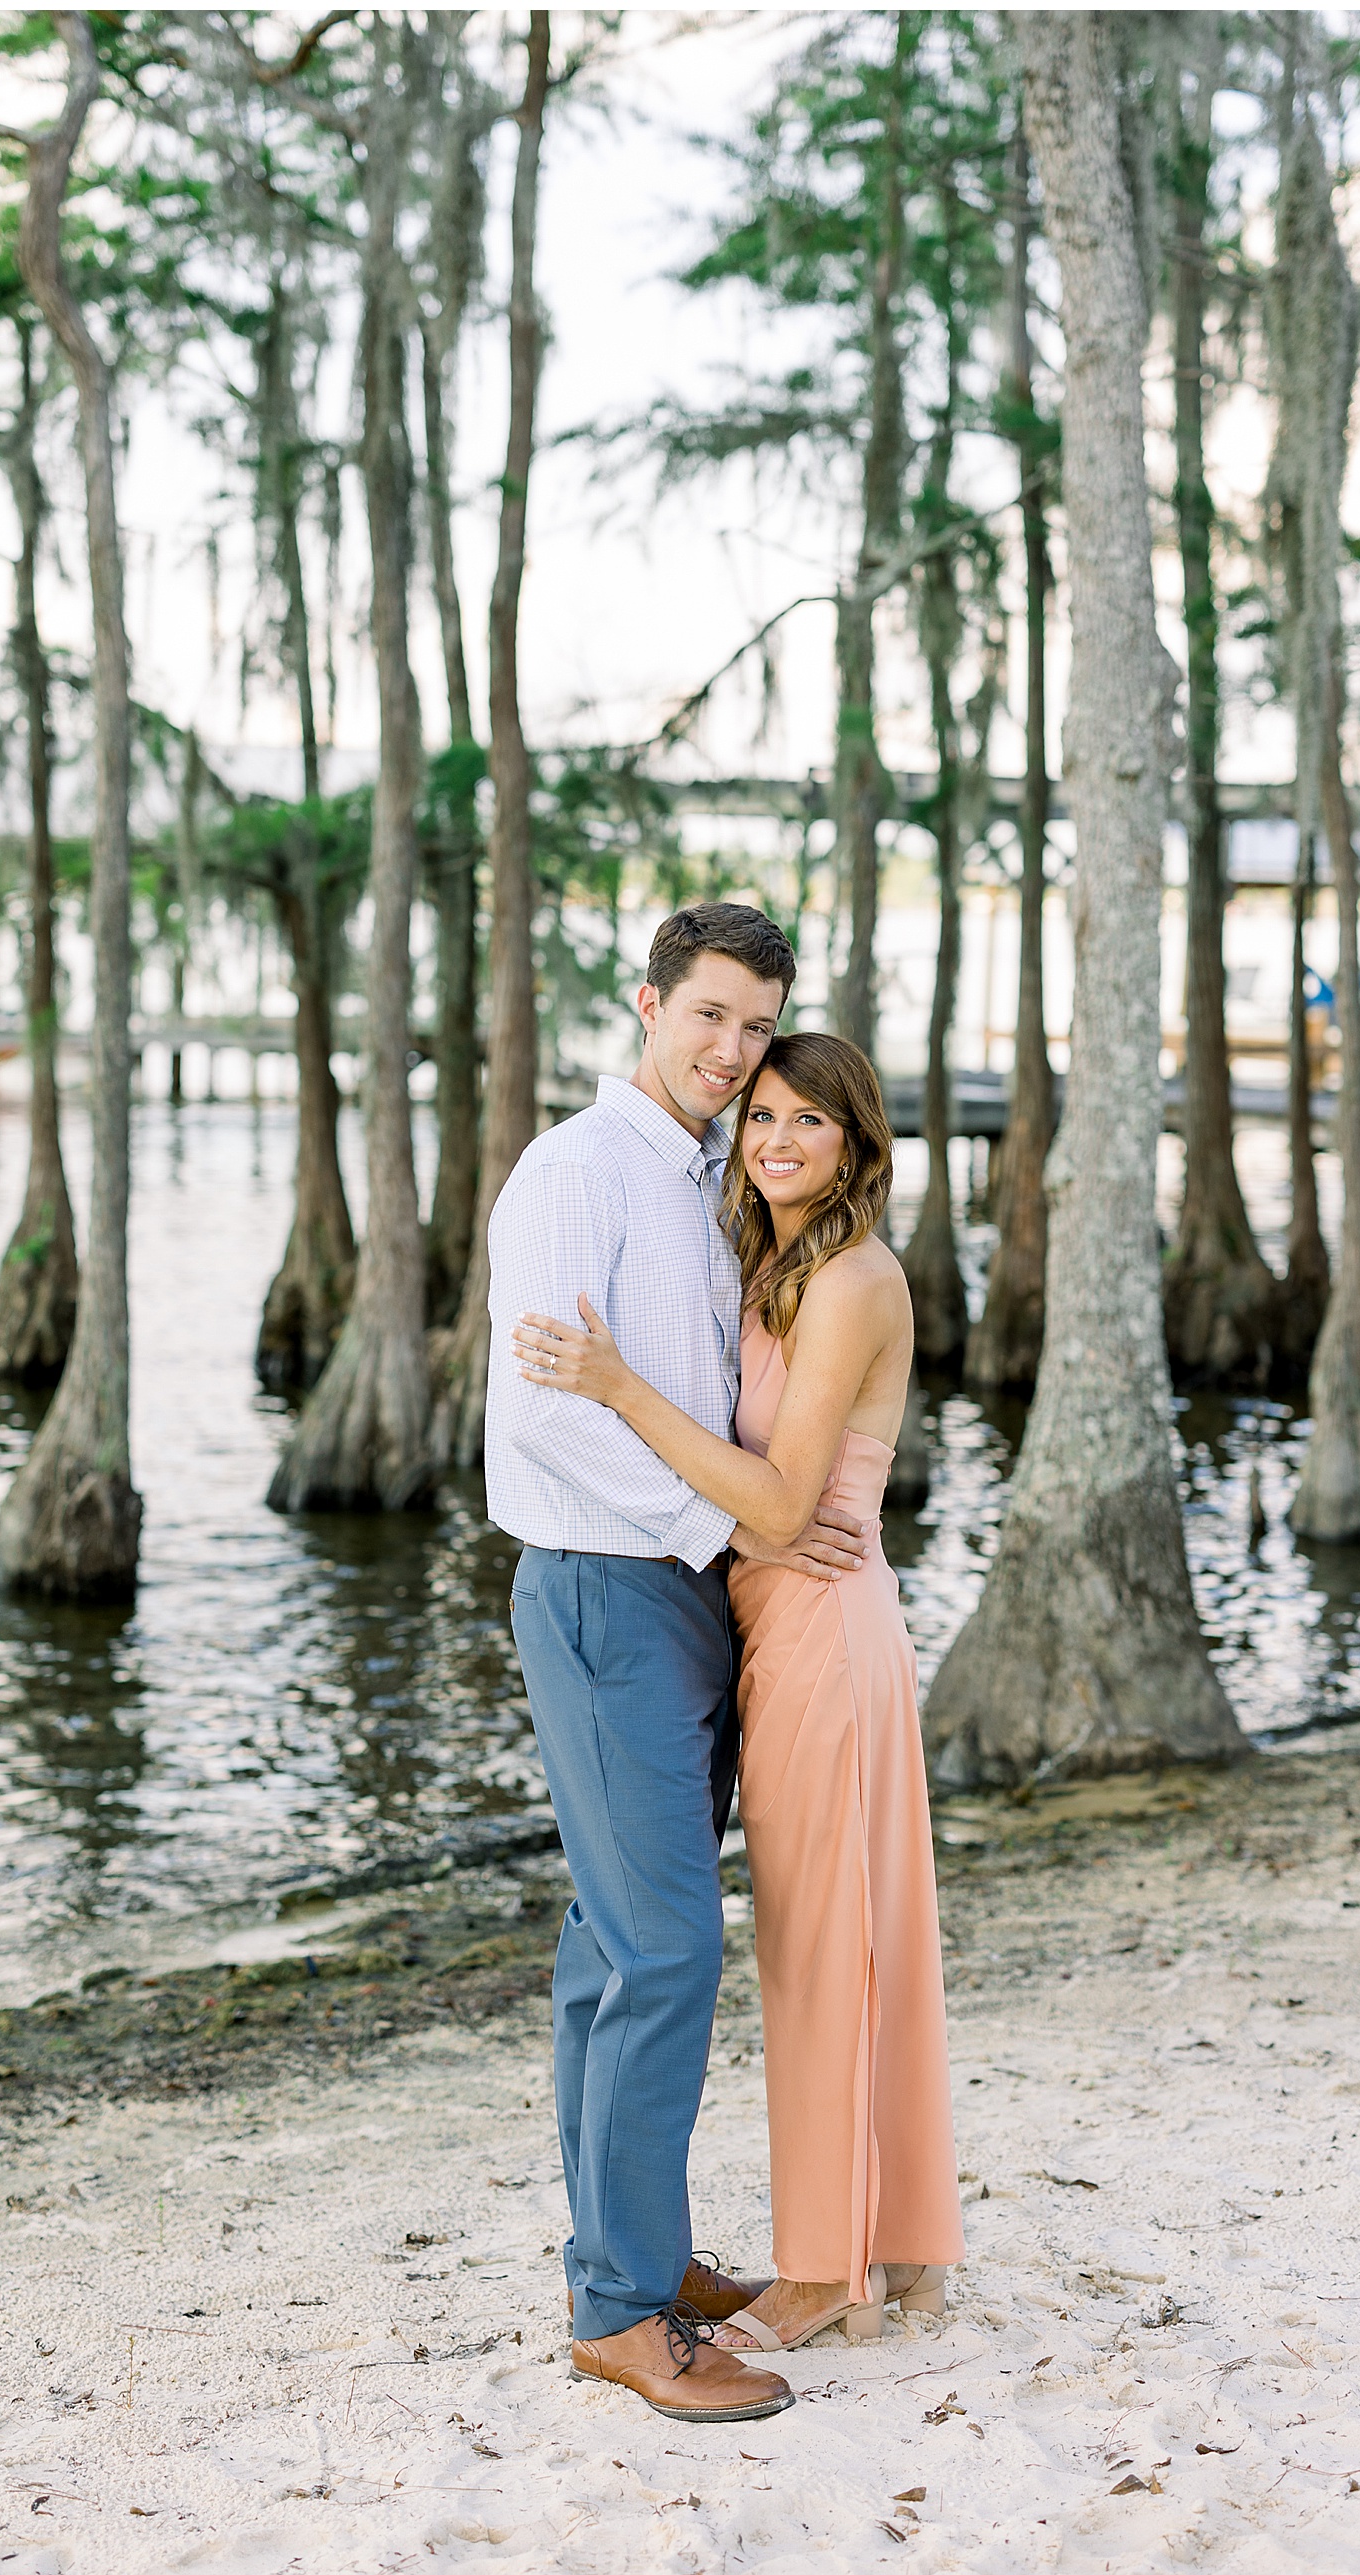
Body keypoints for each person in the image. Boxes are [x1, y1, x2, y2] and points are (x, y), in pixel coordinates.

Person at [513, 1029, 964, 2355]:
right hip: (782, 1635)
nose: (772, 1139)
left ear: (856, 1143)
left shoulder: (850, 1283)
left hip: (824, 1636)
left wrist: (612, 1384)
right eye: (759, 1114)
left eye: (806, 1122)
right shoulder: (782, 1264)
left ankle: (827, 2272)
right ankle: (897, 2240)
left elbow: (774, 1500)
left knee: (825, 1957)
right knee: (846, 1945)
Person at [485, 904, 872, 2426]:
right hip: (604, 1585)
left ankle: (623, 2254)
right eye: (705, 1015)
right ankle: (621, 2313)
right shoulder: (574, 1173)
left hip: (692, 1593)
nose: (729, 1051)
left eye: (755, 1026)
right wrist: (734, 1519)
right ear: (645, 1002)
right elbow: (543, 1420)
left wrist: (737, 1542)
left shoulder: (712, 1175)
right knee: (667, 1951)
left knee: (611, 1942)